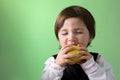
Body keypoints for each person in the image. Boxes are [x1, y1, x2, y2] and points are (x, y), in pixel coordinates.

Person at [41, 5, 115, 80]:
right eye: (64, 33)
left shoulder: (98, 61)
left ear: (90, 36)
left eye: (79, 32)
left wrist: (92, 67)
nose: (71, 38)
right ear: (58, 39)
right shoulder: (52, 63)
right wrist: (57, 67)